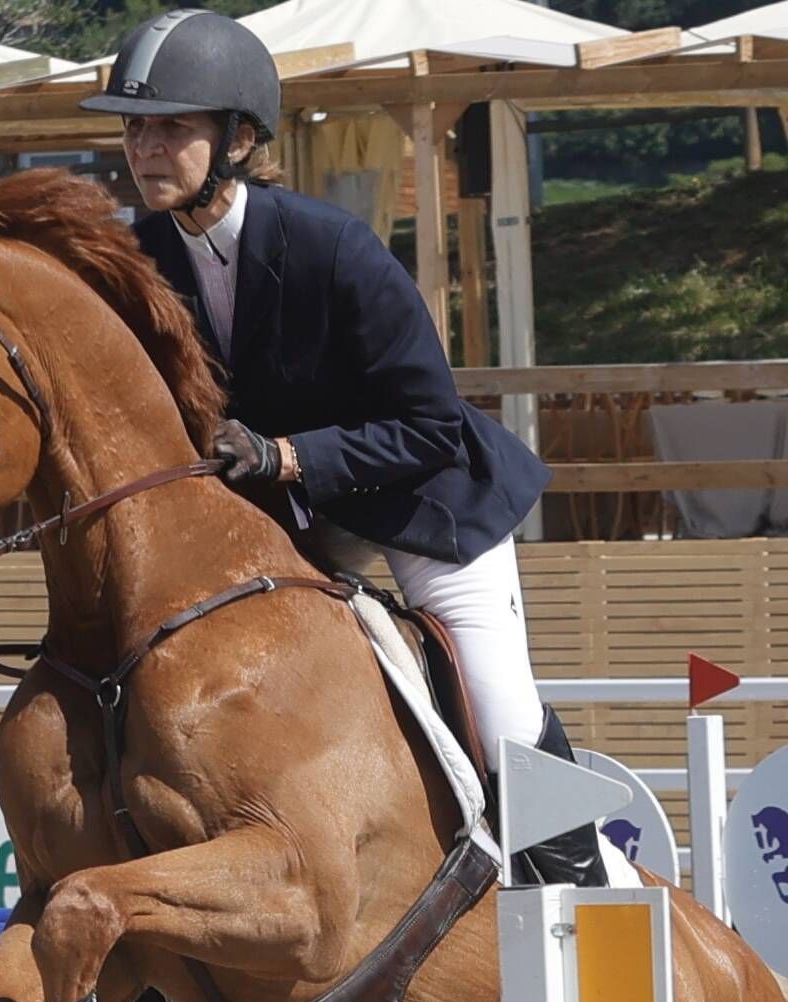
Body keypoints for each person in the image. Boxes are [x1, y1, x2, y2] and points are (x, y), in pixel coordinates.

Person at [80, 8, 605, 889]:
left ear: (239, 138)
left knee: (503, 721)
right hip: (298, 530)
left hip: (426, 506)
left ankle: (585, 897)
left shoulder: (335, 248)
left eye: (171, 126)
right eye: (135, 127)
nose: (145, 147)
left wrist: (288, 457)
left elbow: (432, 424)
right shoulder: (140, 260)